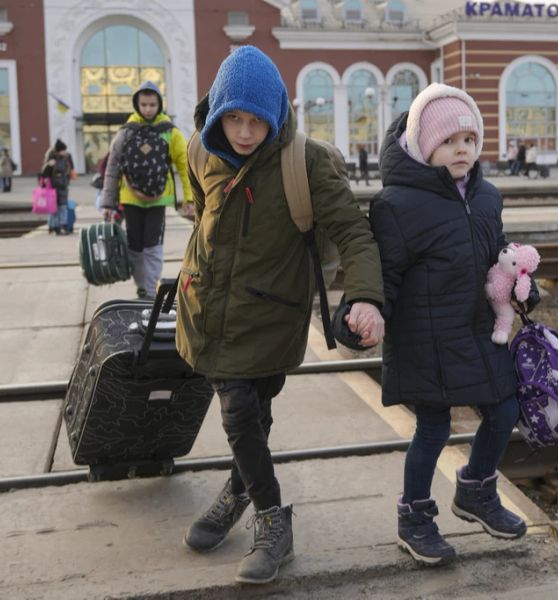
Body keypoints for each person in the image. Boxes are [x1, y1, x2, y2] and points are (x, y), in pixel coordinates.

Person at [177, 45, 385, 585]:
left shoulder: (305, 163)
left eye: (257, 120)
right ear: (218, 112)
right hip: (208, 310)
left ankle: (232, 492)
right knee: (240, 413)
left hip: (271, 318)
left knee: (255, 414)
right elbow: (203, 214)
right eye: (235, 118)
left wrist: (364, 297)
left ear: (277, 115)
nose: (245, 132)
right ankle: (272, 520)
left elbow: (354, 234)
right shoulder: (201, 150)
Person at [369, 83, 539, 566]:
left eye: (469, 139)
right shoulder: (396, 205)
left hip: (479, 329)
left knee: (505, 410)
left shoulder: (487, 197)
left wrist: (520, 282)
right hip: (426, 338)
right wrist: (366, 311)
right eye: (448, 141)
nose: (461, 149)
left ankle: (476, 492)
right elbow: (385, 276)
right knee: (433, 428)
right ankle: (415, 518)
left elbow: (496, 254)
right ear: (425, 148)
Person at [100, 81, 191, 299]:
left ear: (159, 104)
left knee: (153, 244)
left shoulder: (171, 132)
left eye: (152, 104)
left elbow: (185, 166)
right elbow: (113, 168)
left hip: (158, 201)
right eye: (144, 104)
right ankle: (142, 285)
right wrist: (107, 203)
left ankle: (150, 288)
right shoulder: (126, 132)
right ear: (136, 104)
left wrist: (189, 197)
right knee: (135, 245)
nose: (148, 108)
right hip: (131, 199)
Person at [41, 139, 74, 234]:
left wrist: (67, 179)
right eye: (63, 150)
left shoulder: (65, 158)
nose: (65, 152)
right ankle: (55, 227)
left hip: (63, 186)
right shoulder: (51, 159)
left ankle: (63, 226)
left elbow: (68, 170)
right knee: (54, 208)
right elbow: (44, 173)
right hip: (53, 187)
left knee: (63, 207)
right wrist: (48, 165)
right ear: (59, 150)